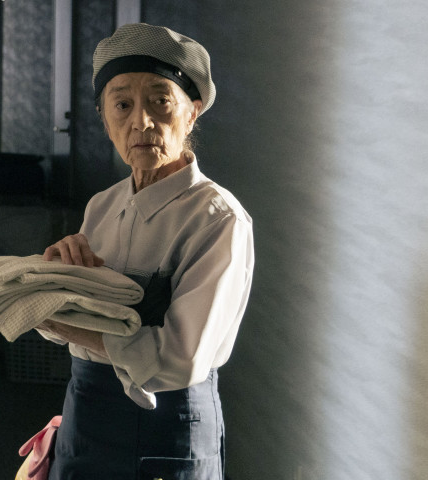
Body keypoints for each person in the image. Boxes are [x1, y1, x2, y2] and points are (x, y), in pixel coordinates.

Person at [38, 23, 255, 479]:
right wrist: (55, 279)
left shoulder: (217, 219)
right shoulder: (102, 206)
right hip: (86, 417)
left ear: (191, 113)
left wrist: (71, 324)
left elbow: (180, 357)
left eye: (161, 101)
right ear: (105, 120)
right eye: (122, 105)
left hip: (167, 430)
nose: (141, 122)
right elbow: (65, 326)